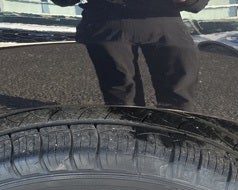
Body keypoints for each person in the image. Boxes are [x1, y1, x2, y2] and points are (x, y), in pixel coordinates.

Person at [52, 0, 209, 111]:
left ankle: (178, 137)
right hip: (106, 19)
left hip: (164, 19)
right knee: (121, 93)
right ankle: (132, 136)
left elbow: (197, 4)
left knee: (179, 92)